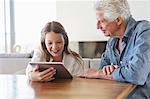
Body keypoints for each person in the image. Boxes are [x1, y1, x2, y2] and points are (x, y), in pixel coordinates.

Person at [80, 0, 150, 98]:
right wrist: (107, 72)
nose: (97, 26)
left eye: (102, 21)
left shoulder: (144, 31)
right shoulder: (112, 41)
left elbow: (136, 75)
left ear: (118, 20)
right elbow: (102, 71)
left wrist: (103, 73)